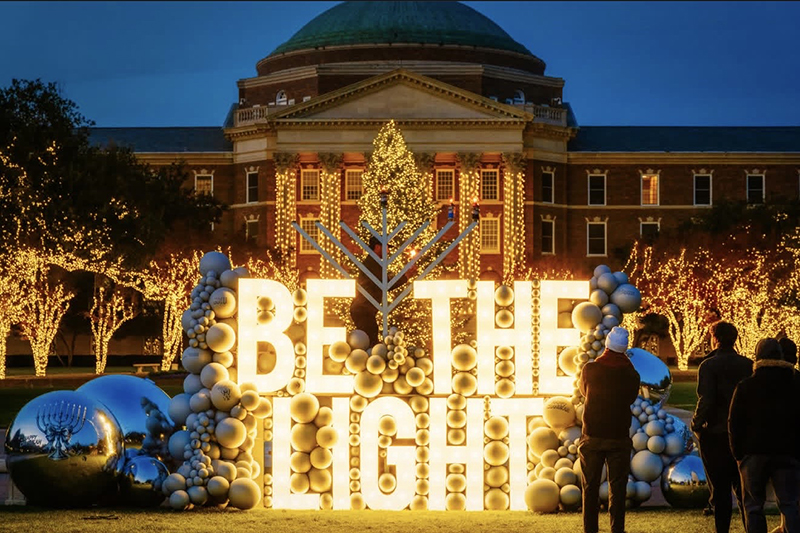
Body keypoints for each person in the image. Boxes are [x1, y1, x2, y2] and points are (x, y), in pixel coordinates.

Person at [730, 338, 800, 533]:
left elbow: (735, 422)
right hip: (788, 452)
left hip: (753, 453)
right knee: (789, 504)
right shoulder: (795, 384)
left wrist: (738, 453)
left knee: (753, 506)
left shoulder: (746, 386)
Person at [692, 321, 753, 533]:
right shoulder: (747, 365)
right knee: (745, 491)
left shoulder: (708, 366)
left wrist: (696, 424)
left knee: (720, 490)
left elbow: (706, 399)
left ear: (715, 339)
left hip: (715, 434)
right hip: (743, 434)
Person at [579, 326, 640, 533]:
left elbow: (583, 391)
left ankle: (590, 529)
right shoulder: (631, 374)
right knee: (618, 489)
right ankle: (617, 529)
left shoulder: (590, 369)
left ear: (607, 345)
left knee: (590, 487)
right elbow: (630, 399)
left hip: (592, 436)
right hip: (619, 437)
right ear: (624, 348)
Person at [349, 236, 414, 347]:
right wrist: (406, 276)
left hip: (366, 309)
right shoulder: (372, 263)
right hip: (363, 309)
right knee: (368, 343)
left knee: (370, 341)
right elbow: (384, 284)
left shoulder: (374, 263)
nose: (388, 251)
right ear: (378, 247)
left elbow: (384, 282)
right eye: (386, 247)